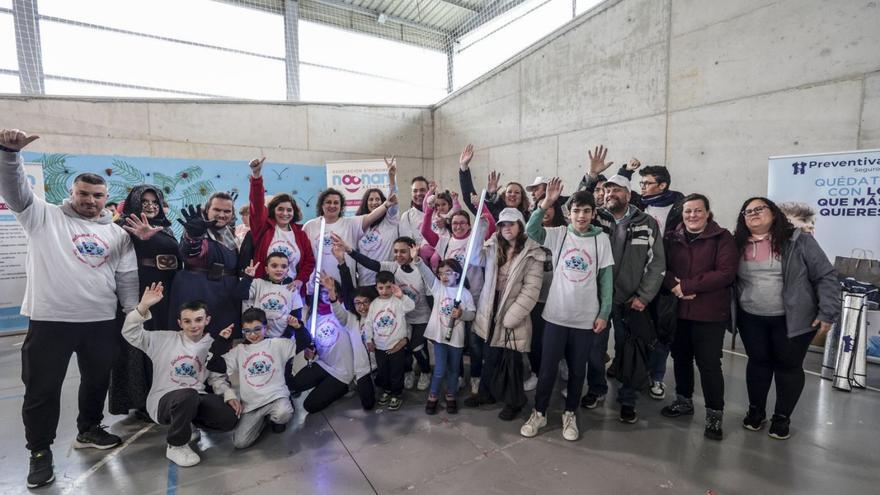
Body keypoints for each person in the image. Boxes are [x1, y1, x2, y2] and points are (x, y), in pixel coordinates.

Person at [0, 129, 139, 489]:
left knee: (96, 382)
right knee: (42, 389)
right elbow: (15, 191)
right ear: (71, 193)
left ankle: (89, 428)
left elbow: (125, 279)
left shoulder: (118, 234)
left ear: (107, 198)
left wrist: (132, 315)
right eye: (83, 194)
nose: (90, 201)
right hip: (51, 323)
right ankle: (40, 451)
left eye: (97, 196)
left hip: (101, 322)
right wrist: (9, 154)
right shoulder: (42, 217)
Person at [734, 197, 839, 440]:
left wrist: (828, 312)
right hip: (751, 317)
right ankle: (756, 412)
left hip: (791, 319)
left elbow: (825, 276)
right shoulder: (737, 243)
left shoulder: (799, 240)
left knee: (788, 368)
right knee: (758, 364)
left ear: (774, 213)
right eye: (747, 211)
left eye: (759, 209)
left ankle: (782, 418)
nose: (753, 214)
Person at [521, 183, 614, 441]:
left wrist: (604, 312)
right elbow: (531, 230)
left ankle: (570, 413)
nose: (581, 216)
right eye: (576, 211)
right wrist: (545, 203)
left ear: (594, 213)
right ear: (569, 213)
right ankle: (539, 412)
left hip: (585, 319)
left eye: (586, 211)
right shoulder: (559, 234)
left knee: (577, 371)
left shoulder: (601, 239)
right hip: (556, 316)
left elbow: (606, 280)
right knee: (548, 369)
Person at [580, 169, 665, 425]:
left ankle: (627, 399)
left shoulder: (646, 222)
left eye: (616, 189)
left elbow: (657, 263)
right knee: (595, 351)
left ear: (628, 194)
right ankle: (596, 389)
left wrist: (644, 296)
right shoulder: (597, 219)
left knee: (628, 353)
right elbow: (574, 206)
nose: (610, 194)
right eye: (606, 190)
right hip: (599, 300)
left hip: (631, 301)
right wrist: (590, 176)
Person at [122, 283, 239, 467]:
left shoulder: (212, 344)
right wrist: (143, 307)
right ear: (180, 323)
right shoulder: (163, 339)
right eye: (187, 321)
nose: (193, 325)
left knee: (228, 417)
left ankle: (188, 426)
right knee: (187, 395)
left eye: (198, 320)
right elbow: (130, 333)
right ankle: (176, 445)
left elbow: (217, 378)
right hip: (164, 401)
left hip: (195, 398)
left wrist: (229, 395)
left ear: (207, 320)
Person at [657, 194, 738, 441]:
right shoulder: (672, 237)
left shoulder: (723, 238)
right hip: (678, 311)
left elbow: (725, 273)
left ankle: (715, 414)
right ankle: (684, 401)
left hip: (710, 313)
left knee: (709, 364)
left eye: (697, 211)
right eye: (688, 211)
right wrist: (674, 286)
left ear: (707, 213)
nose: (692, 215)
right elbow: (661, 266)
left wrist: (688, 286)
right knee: (681, 358)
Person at [109, 185, 181, 418]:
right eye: (145, 201)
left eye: (154, 202)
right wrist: (137, 236)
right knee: (138, 341)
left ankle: (163, 391)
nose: (150, 206)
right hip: (140, 291)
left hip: (167, 291)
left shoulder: (166, 228)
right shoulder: (123, 227)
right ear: (135, 203)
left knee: (162, 341)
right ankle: (140, 399)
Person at [470, 208, 545, 420]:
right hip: (491, 308)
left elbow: (531, 289)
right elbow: (475, 258)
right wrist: (481, 228)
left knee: (512, 361)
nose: (506, 228)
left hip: (513, 311)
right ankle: (487, 394)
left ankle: (515, 402)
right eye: (502, 224)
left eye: (511, 224)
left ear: (520, 225)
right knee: (490, 356)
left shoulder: (532, 252)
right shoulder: (494, 245)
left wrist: (513, 316)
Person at [335, 234, 433, 391]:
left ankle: (426, 371)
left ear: (412, 250)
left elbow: (432, 292)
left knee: (417, 346)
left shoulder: (421, 268)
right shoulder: (393, 266)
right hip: (403, 316)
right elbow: (371, 263)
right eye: (395, 251)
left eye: (403, 251)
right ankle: (407, 371)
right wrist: (349, 250)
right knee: (403, 347)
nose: (398, 255)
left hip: (422, 316)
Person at [168, 194, 242, 373]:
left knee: (220, 346)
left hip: (224, 297)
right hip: (198, 292)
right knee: (194, 346)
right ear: (207, 210)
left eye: (227, 211)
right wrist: (194, 235)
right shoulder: (198, 230)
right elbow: (190, 252)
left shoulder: (230, 235)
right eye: (217, 209)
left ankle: (216, 388)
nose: (222, 215)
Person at [224, 308, 299, 449]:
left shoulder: (277, 344)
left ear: (267, 327)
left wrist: (298, 327)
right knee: (239, 443)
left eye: (257, 329)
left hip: (275, 397)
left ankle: (274, 418)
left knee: (284, 413)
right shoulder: (239, 350)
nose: (252, 335)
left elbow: (302, 344)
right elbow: (218, 367)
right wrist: (222, 341)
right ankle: (263, 421)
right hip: (251, 404)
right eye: (247, 331)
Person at [413, 256, 476, 415]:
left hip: (456, 339)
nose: (444, 277)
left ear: (457, 274)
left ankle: (451, 395)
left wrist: (461, 314)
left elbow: (472, 315)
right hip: (440, 337)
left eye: (448, 272)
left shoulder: (466, 294)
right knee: (440, 369)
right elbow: (426, 274)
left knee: (454, 369)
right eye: (441, 273)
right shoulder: (438, 288)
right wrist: (418, 260)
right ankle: (433, 396)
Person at [288, 275, 359, 413]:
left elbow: (337, 309)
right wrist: (310, 353)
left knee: (310, 406)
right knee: (295, 384)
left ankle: (343, 387)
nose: (327, 295)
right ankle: (325, 384)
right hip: (323, 364)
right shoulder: (313, 317)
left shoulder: (345, 309)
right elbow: (312, 346)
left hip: (342, 372)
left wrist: (332, 292)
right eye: (323, 292)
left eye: (331, 291)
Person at [247, 157, 314, 290]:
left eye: (289, 210)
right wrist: (256, 176)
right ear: (273, 211)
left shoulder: (300, 234)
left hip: (291, 292)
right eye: (280, 209)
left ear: (294, 212)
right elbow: (257, 203)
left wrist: (300, 280)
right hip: (263, 290)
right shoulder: (263, 228)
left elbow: (309, 261)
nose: (285, 213)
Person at [303, 187, 394, 284]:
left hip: (346, 286)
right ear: (322, 205)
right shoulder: (309, 226)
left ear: (341, 206)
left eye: (336, 203)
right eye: (328, 202)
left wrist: (386, 204)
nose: (332, 205)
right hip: (317, 286)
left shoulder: (351, 224)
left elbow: (370, 217)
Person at [330, 252, 378, 410]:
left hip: (383, 363)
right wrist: (332, 296)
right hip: (363, 369)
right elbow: (338, 310)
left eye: (366, 302)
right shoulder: (350, 319)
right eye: (358, 303)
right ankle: (357, 382)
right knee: (368, 404)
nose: (362, 307)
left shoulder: (379, 316)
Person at [366, 271, 416, 410]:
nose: (385, 291)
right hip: (379, 347)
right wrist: (369, 339)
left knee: (396, 372)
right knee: (383, 372)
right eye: (381, 288)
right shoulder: (374, 304)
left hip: (396, 346)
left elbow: (411, 306)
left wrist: (401, 296)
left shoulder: (398, 301)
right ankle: (387, 391)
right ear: (376, 288)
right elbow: (369, 323)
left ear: (393, 286)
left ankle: (396, 394)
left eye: (388, 287)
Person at [355, 156, 399, 287]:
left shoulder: (389, 219)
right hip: (364, 281)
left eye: (378, 199)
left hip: (386, 282)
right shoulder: (358, 224)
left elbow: (392, 199)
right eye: (371, 199)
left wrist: (391, 178)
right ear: (365, 203)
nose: (374, 202)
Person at [237, 253, 304, 338]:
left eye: (283, 266)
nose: (279, 269)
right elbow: (240, 294)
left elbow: (296, 316)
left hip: (282, 338)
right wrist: (248, 277)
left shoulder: (292, 289)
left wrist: (285, 337)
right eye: (274, 266)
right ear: (266, 269)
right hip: (258, 337)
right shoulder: (258, 283)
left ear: (287, 270)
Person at [458, 144, 530, 219]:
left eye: (517, 192)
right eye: (509, 192)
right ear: (504, 196)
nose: (513, 194)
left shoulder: (528, 217)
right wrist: (464, 167)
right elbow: (470, 198)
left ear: (522, 197)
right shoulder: (494, 212)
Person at [399, 176, 429, 245]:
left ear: (428, 191)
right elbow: (406, 243)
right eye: (415, 191)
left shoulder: (437, 213)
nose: (418, 194)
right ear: (411, 193)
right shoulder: (406, 216)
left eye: (422, 190)